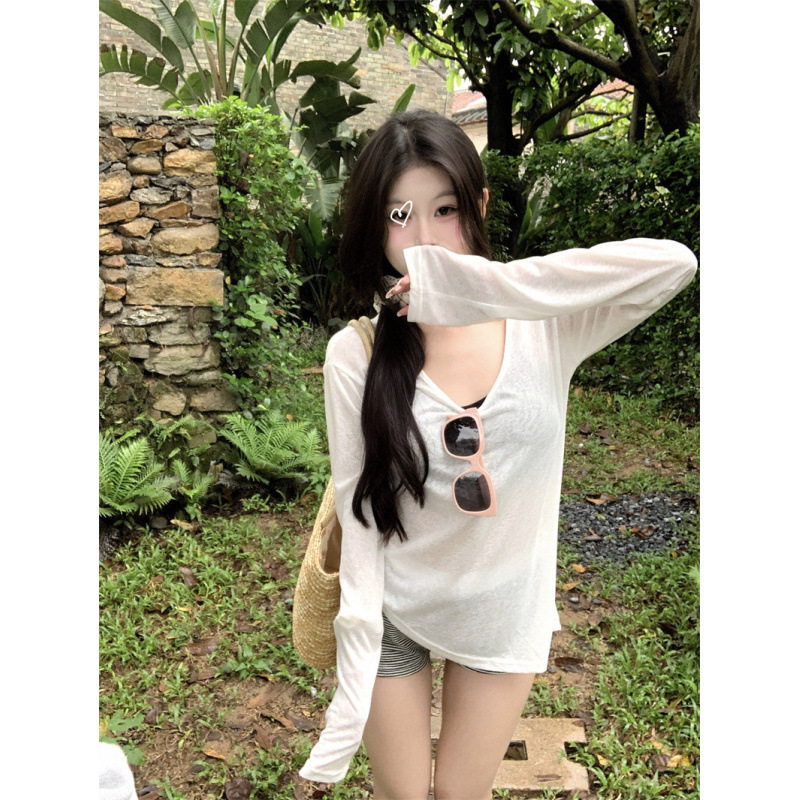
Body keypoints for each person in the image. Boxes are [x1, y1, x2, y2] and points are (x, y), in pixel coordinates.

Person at [298, 109, 697, 798]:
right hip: (394, 608)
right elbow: (358, 511)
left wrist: (481, 289)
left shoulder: (546, 329)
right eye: (399, 215)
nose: (424, 238)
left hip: (502, 608)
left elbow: (673, 264)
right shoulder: (354, 355)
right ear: (376, 226)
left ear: (478, 207)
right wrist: (356, 647)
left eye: (445, 209)